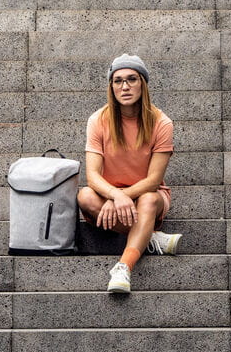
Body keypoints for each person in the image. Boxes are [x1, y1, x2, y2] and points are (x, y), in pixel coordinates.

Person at [77, 54, 182, 293]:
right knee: (85, 196)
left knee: (149, 200)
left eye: (132, 79)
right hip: (110, 196)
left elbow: (153, 181)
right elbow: (92, 176)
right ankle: (150, 236)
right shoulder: (98, 120)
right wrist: (115, 195)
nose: (124, 87)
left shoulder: (161, 123)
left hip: (148, 195)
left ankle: (123, 267)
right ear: (111, 87)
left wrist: (121, 196)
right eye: (118, 81)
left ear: (142, 83)